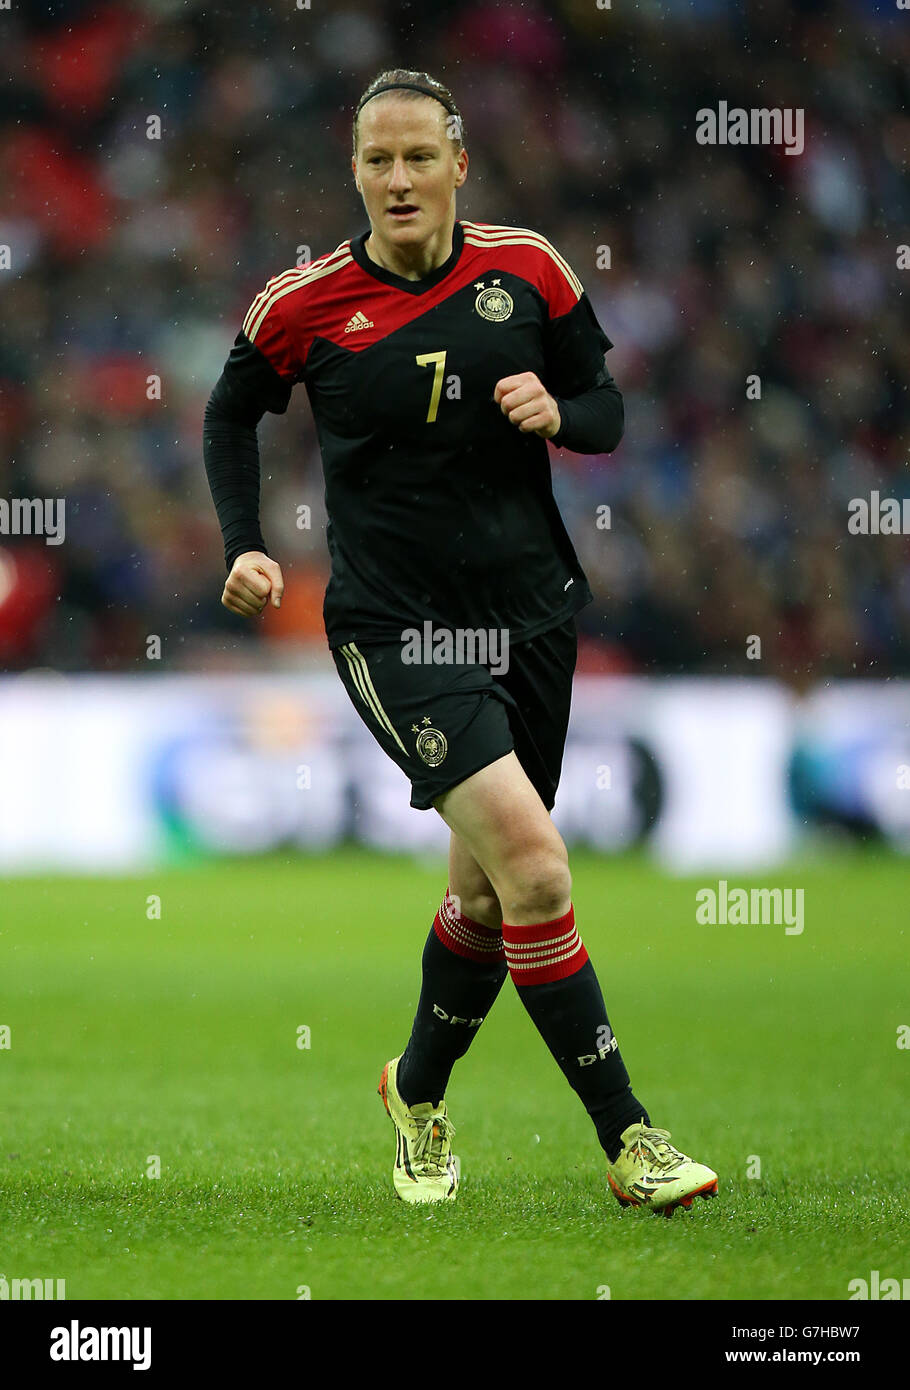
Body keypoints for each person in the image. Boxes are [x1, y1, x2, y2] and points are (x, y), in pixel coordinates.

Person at [203, 67, 718, 1217]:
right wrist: (242, 541)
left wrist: (559, 413)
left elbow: (606, 408)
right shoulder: (304, 302)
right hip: (397, 628)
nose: (397, 179)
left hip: (531, 609)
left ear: (458, 164)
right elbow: (229, 410)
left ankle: (415, 1092)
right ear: (354, 171)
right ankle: (630, 1137)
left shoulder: (527, 268)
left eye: (417, 157)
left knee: (486, 900)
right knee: (537, 867)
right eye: (376, 160)